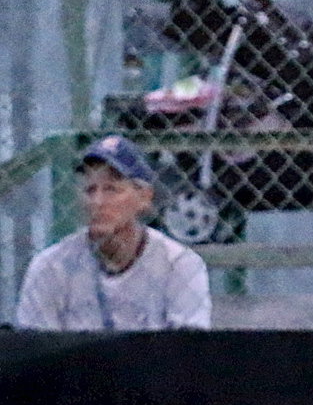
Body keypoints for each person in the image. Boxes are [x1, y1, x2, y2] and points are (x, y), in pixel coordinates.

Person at [16, 134, 211, 331]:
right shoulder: (50, 267)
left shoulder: (179, 264)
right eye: (90, 190)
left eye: (111, 189)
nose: (97, 202)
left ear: (144, 197)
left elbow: (189, 351)